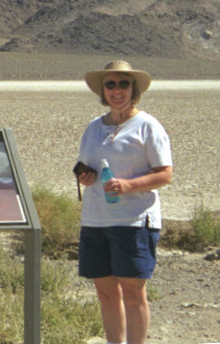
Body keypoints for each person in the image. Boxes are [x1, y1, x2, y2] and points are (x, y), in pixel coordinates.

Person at [76, 60, 173, 344]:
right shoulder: (94, 128)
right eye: (111, 84)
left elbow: (165, 174)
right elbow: (83, 163)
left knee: (133, 293)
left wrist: (129, 185)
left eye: (123, 84)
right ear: (103, 90)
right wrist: (82, 174)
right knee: (106, 293)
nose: (117, 91)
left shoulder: (148, 126)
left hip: (133, 220)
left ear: (134, 89)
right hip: (95, 219)